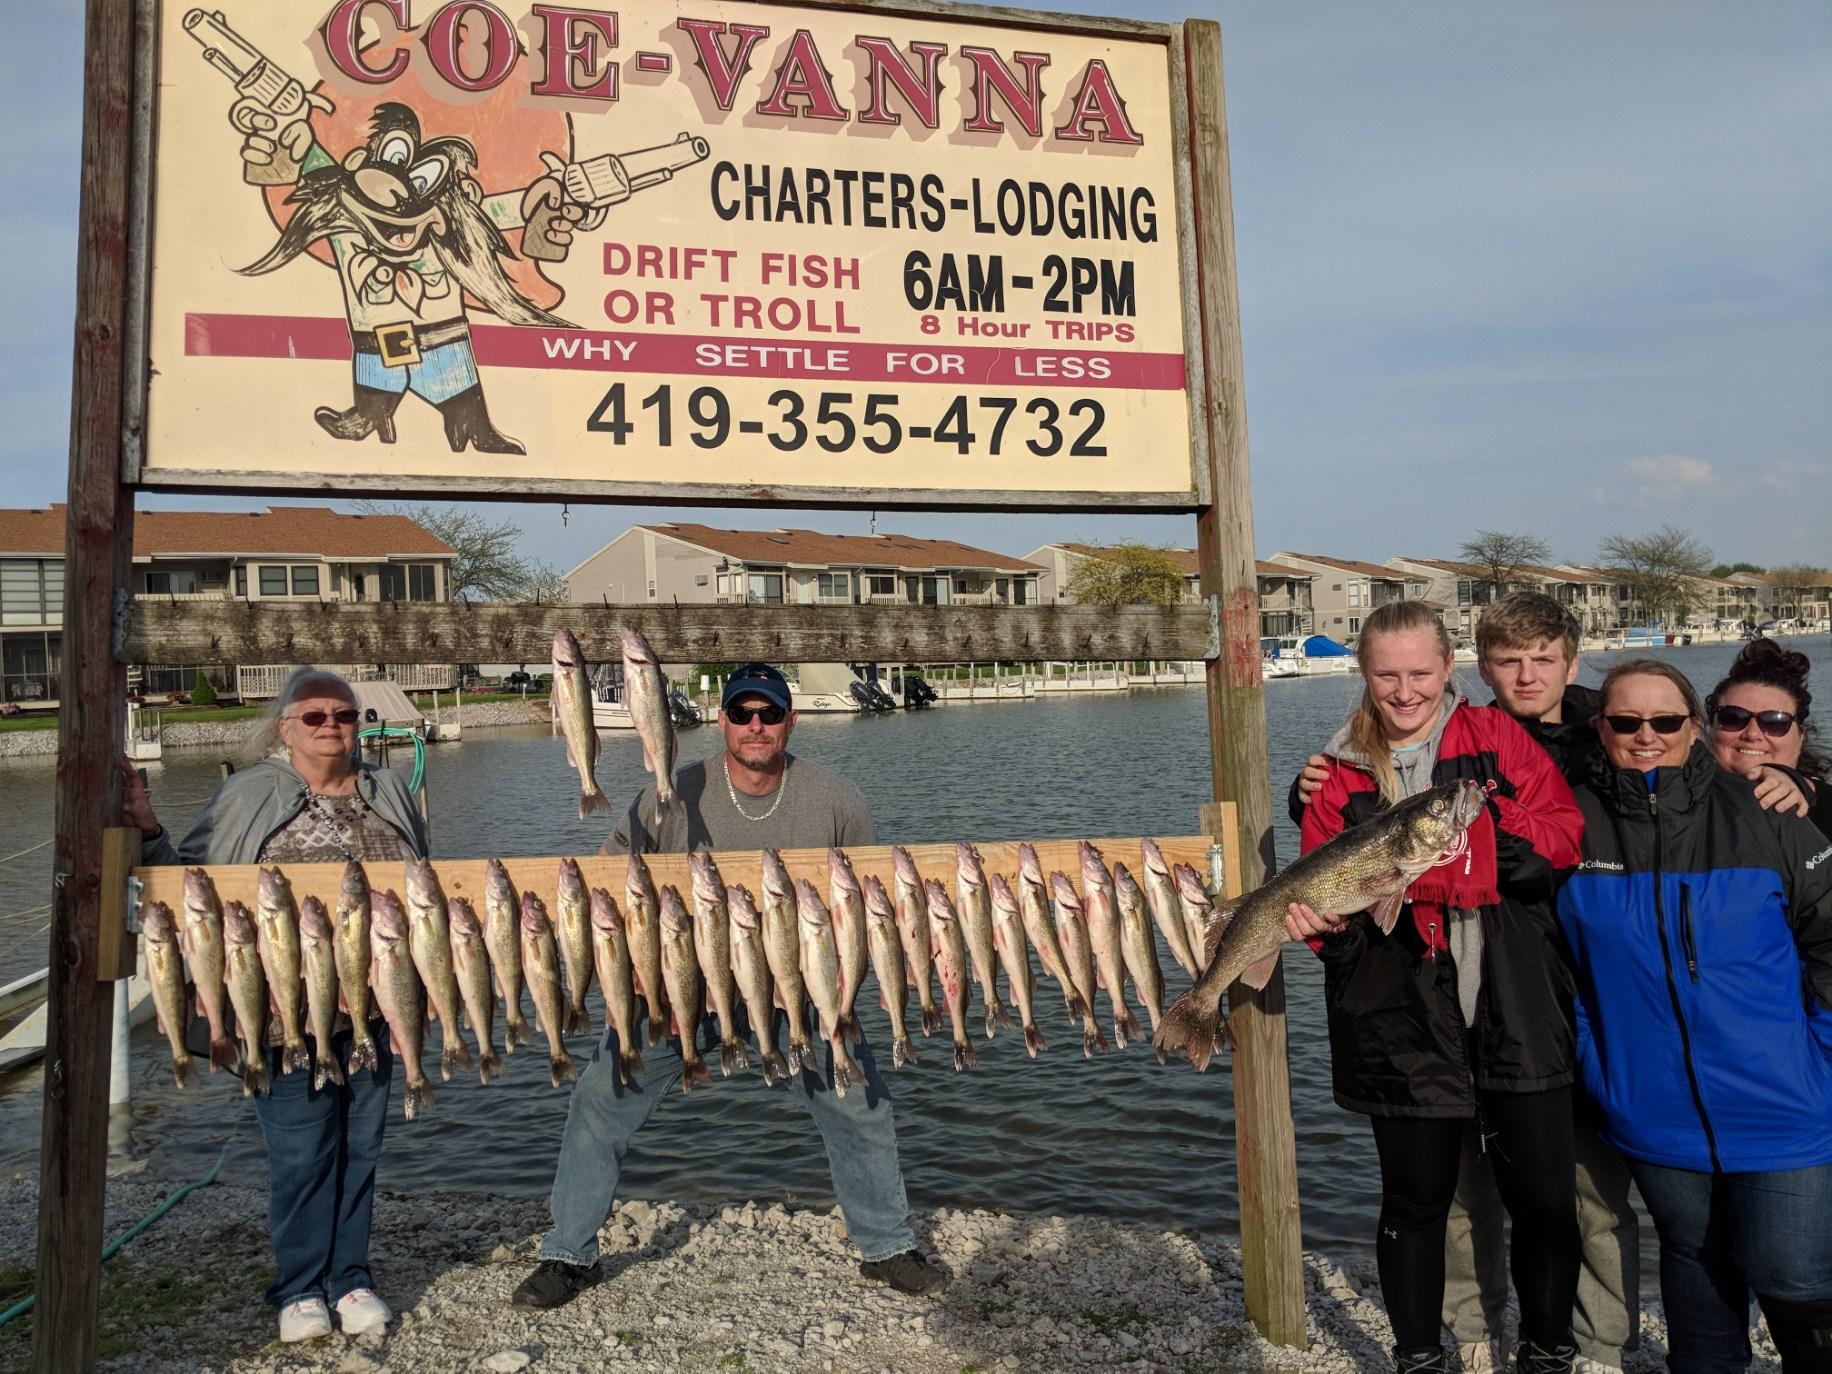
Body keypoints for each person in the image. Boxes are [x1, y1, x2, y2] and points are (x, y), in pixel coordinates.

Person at [514, 662, 942, 1310]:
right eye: (742, 713)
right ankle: (568, 1254)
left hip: (796, 986)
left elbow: (866, 905)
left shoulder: (838, 799)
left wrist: (870, 978)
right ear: (721, 721)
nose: (755, 726)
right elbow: (606, 872)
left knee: (860, 1099)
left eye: (769, 714)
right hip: (684, 981)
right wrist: (620, 966)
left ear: (789, 721)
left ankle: (886, 1244)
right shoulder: (670, 792)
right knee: (600, 1097)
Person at [1284, 599, 1586, 1374]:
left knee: (1546, 1202)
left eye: (1420, 672)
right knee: (1415, 1204)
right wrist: (1323, 930)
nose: (1405, 690)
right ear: (1364, 674)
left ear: (1446, 667)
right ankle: (1419, 1355)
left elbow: (1562, 830)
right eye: (1387, 675)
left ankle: (1548, 1351)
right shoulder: (1337, 770)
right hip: (1398, 1014)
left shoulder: (1495, 739)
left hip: (1515, 1001)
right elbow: (1326, 891)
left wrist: (1513, 855)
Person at [122, 668, 427, 1344]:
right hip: (281, 1010)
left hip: (376, 1010)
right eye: (313, 716)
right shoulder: (249, 792)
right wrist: (146, 829)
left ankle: (350, 1277)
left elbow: (422, 888)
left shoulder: (390, 791)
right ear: (285, 726)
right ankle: (298, 1286)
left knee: (361, 1149)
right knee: (300, 1153)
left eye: (343, 716)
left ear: (359, 724)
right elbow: (186, 879)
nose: (330, 727)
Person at [1556, 659, 1832, 1374]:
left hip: (1783, 1107)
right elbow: (1560, 967)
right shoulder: (1572, 826)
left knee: (1792, 1273)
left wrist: (1821, 1061)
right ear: (1601, 728)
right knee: (1696, 1264)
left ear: (1694, 726)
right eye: (1626, 722)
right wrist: (1601, 1065)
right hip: (1651, 1112)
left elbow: (1829, 942)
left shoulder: (1768, 815)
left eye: (1666, 721)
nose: (1646, 735)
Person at [1707, 637, 1829, 838]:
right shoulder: (1680, 805)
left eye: (1774, 722)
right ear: (1708, 726)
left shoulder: (1826, 812)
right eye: (1733, 718)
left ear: (1801, 736)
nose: (1752, 734)